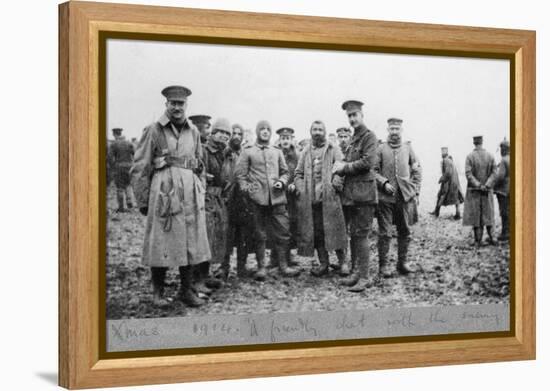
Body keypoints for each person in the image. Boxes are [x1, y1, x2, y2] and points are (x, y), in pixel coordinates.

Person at [131, 85, 210, 308]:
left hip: (190, 194)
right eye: (173, 103)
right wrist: (143, 199)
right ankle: (158, 293)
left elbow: (200, 164)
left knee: (191, 241)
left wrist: (200, 189)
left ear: (186, 105)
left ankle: (186, 290)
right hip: (164, 193)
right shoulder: (154, 130)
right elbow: (140, 166)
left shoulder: (193, 131)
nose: (177, 107)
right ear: (166, 104)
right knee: (161, 242)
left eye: (181, 103)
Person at [235, 120, 300, 280]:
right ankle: (262, 267)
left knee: (283, 232)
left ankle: (284, 266)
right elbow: (241, 176)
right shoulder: (248, 151)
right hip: (256, 201)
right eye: (262, 129)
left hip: (277, 198)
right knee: (259, 234)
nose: (265, 132)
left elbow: (285, 172)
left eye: (267, 129)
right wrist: (250, 191)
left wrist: (282, 182)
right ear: (258, 132)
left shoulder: (276, 151)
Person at [332, 100, 378, 292]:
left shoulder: (369, 137)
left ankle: (365, 277)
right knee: (355, 235)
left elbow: (368, 162)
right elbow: (350, 161)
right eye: (349, 116)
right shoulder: (353, 139)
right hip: (352, 195)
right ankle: (357, 274)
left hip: (365, 195)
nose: (352, 119)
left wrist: (344, 167)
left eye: (355, 115)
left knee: (362, 236)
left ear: (362, 115)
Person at [294, 121, 348, 277]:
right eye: (314, 129)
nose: (317, 132)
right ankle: (323, 263)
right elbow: (298, 174)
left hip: (330, 199)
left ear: (325, 131)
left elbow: (341, 167)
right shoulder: (305, 151)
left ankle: (343, 262)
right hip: (312, 201)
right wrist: (302, 189)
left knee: (336, 230)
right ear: (310, 132)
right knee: (317, 233)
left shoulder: (332, 148)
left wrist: (335, 184)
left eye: (320, 129)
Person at [375, 118, 422, 278]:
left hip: (404, 198)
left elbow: (417, 169)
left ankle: (402, 263)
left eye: (397, 128)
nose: (394, 131)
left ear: (401, 130)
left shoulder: (408, 148)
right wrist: (383, 183)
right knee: (385, 233)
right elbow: (373, 171)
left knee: (405, 231)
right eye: (391, 129)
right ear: (387, 130)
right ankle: (384, 266)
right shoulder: (380, 148)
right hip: (385, 198)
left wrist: (414, 189)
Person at [195, 118, 233, 293]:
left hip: (219, 199)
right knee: (204, 237)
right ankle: (196, 279)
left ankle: (205, 275)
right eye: (221, 132)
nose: (224, 136)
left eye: (227, 133)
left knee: (215, 237)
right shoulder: (203, 150)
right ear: (213, 133)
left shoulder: (225, 153)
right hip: (204, 198)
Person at [216, 123, 256, 280]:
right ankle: (224, 267)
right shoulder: (224, 153)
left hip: (243, 200)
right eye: (234, 133)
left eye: (240, 134)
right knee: (227, 235)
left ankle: (241, 268)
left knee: (243, 236)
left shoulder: (246, 153)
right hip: (227, 199)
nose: (237, 137)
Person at [273, 127, 300, 268]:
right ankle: (274, 257)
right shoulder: (275, 153)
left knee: (291, 224)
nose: (285, 141)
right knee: (276, 225)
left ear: (291, 140)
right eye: (283, 138)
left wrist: (295, 183)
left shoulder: (296, 155)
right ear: (279, 140)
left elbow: (299, 172)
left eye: (287, 138)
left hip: (292, 197)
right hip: (277, 193)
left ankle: (288, 254)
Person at [463, 135, 497, 246]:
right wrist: (487, 185)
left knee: (477, 216)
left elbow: (468, 174)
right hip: (487, 191)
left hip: (475, 191)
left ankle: (478, 240)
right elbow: (494, 173)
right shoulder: (490, 156)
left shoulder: (470, 157)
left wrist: (478, 185)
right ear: (482, 142)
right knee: (489, 214)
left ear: (474, 143)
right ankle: (493, 238)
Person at [430, 147, 463, 219]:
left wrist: (441, 179)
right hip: (454, 183)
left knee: (441, 196)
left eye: (443, 153)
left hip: (448, 183)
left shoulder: (446, 160)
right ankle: (458, 214)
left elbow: (448, 173)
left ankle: (436, 212)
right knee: (456, 198)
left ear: (445, 154)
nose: (442, 154)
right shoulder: (450, 160)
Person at [108, 127, 135, 212]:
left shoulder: (114, 144)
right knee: (128, 185)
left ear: (114, 134)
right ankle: (130, 202)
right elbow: (135, 153)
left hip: (119, 167)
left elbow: (109, 157)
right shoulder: (129, 143)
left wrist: (113, 166)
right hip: (129, 167)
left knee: (120, 187)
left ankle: (121, 207)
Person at [492, 139, 510, 241]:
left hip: (503, 191)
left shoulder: (503, 160)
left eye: (501, 148)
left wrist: (493, 186)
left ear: (504, 149)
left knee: (504, 211)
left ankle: (505, 233)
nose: (500, 150)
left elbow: (500, 177)